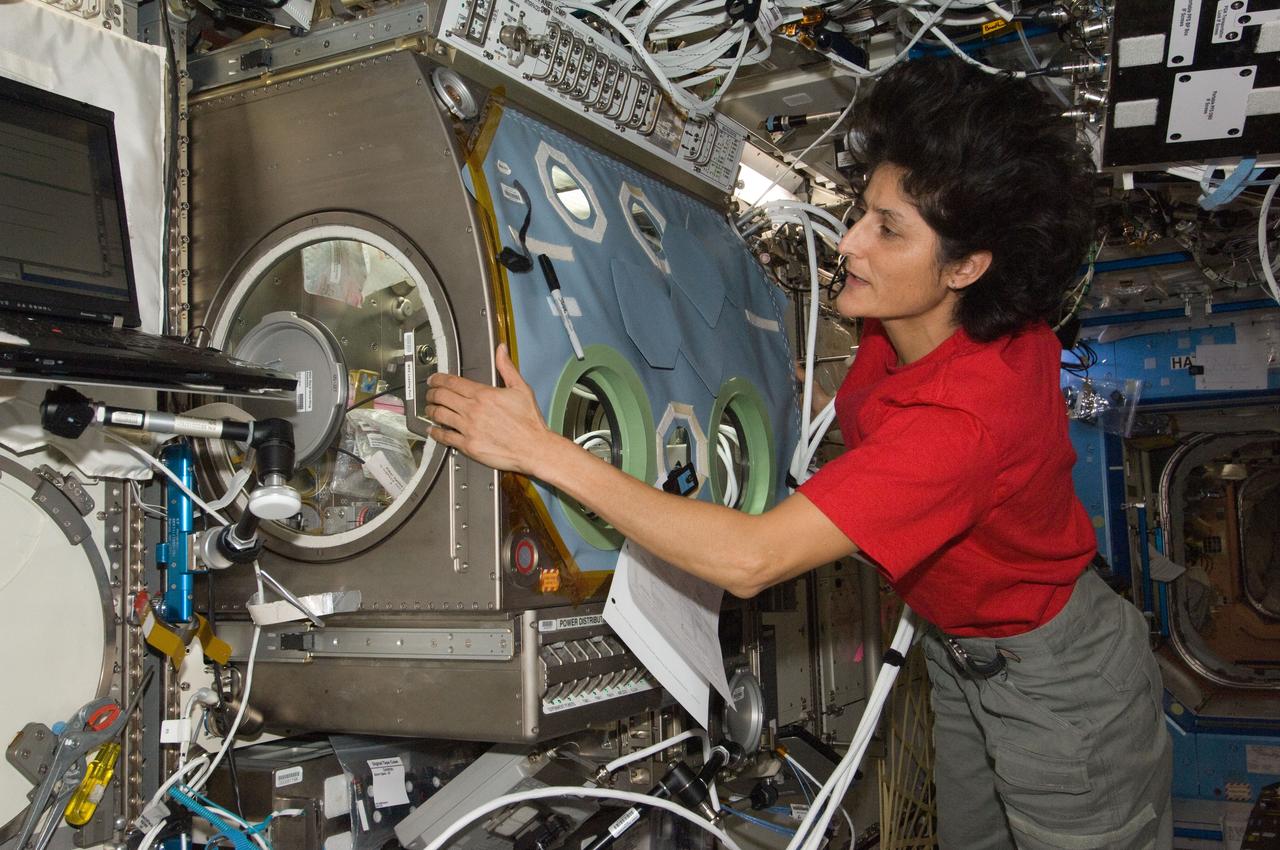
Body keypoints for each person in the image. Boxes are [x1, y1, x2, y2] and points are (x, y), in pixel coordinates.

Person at [425, 57, 1172, 849]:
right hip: (964, 652)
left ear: (966, 266)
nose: (850, 243)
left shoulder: (964, 423)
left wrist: (539, 449)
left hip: (1059, 681)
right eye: (863, 211)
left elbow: (751, 560)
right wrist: (816, 402)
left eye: (888, 230)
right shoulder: (919, 319)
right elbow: (891, 415)